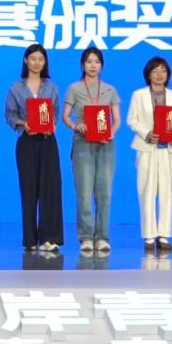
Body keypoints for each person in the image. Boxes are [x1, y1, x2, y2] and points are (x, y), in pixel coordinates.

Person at [4, 44, 63, 253]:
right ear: (25, 60)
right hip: (27, 141)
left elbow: (55, 112)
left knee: (50, 189)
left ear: (45, 62)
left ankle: (49, 238)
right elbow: (10, 114)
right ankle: (29, 239)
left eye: (41, 59)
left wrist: (52, 124)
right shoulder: (16, 88)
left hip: (47, 141)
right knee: (29, 190)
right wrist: (23, 123)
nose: (37, 63)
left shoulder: (51, 87)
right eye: (33, 59)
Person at [62, 47, 121, 254]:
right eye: (89, 62)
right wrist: (75, 125)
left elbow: (117, 119)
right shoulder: (74, 88)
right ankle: (86, 237)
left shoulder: (110, 90)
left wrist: (111, 132)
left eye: (96, 62)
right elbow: (65, 116)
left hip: (106, 145)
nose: (93, 65)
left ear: (101, 65)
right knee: (84, 193)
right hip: (83, 143)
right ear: (82, 65)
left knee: (104, 193)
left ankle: (102, 237)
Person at [127, 56, 172, 252]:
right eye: (155, 71)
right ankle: (149, 236)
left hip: (168, 150)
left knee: (167, 193)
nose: (159, 75)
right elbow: (132, 120)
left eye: (163, 71)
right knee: (147, 192)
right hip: (147, 148)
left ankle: (164, 235)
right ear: (148, 74)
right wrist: (147, 133)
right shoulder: (139, 95)